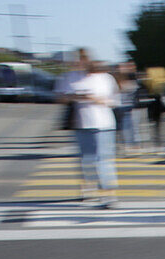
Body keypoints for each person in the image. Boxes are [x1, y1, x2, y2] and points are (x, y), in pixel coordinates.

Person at [56, 48, 120, 208]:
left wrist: (95, 99)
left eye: (83, 59)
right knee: (86, 159)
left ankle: (108, 194)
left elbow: (114, 101)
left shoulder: (105, 78)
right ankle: (88, 188)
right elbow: (59, 97)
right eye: (77, 59)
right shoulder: (69, 77)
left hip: (103, 124)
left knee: (103, 159)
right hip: (81, 124)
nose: (80, 62)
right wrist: (74, 97)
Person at [141, 66, 165, 154]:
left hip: (152, 103)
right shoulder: (162, 74)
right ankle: (164, 145)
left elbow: (145, 86)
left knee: (154, 126)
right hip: (160, 102)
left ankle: (157, 144)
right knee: (161, 125)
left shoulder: (149, 76)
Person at [112, 61, 141, 155]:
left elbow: (135, 91)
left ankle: (131, 145)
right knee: (119, 128)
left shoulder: (131, 78)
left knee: (130, 127)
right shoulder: (113, 80)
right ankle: (122, 146)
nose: (120, 70)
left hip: (128, 108)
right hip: (116, 107)